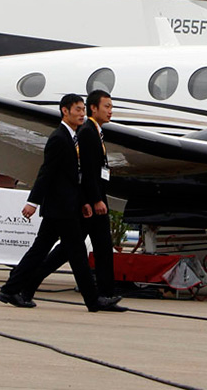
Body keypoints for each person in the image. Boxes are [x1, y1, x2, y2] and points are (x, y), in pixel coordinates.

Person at [0, 94, 120, 312]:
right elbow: (47, 173)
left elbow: (76, 176)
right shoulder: (59, 138)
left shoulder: (72, 137)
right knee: (77, 255)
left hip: (66, 207)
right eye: (78, 110)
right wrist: (32, 202)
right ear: (65, 111)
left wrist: (83, 201)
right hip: (61, 208)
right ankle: (93, 301)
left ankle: (11, 289)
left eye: (83, 110)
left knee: (41, 250)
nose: (82, 114)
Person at [76, 89, 124, 308]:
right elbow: (88, 170)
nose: (110, 111)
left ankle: (106, 294)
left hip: (95, 198)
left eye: (111, 107)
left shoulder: (96, 132)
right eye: (106, 106)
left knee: (101, 247)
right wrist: (95, 200)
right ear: (93, 108)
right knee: (91, 247)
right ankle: (23, 282)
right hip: (92, 201)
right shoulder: (87, 131)